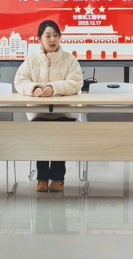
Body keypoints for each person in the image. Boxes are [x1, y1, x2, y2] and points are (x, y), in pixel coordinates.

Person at [15, 20, 83, 193]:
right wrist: (34, 88)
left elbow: (76, 82)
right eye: (48, 36)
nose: (52, 39)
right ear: (39, 39)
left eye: (56, 35)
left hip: (64, 113)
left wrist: (55, 87)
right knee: (41, 134)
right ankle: (42, 177)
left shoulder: (70, 60)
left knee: (60, 134)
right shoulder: (31, 60)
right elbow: (20, 80)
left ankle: (58, 178)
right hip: (39, 112)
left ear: (60, 37)